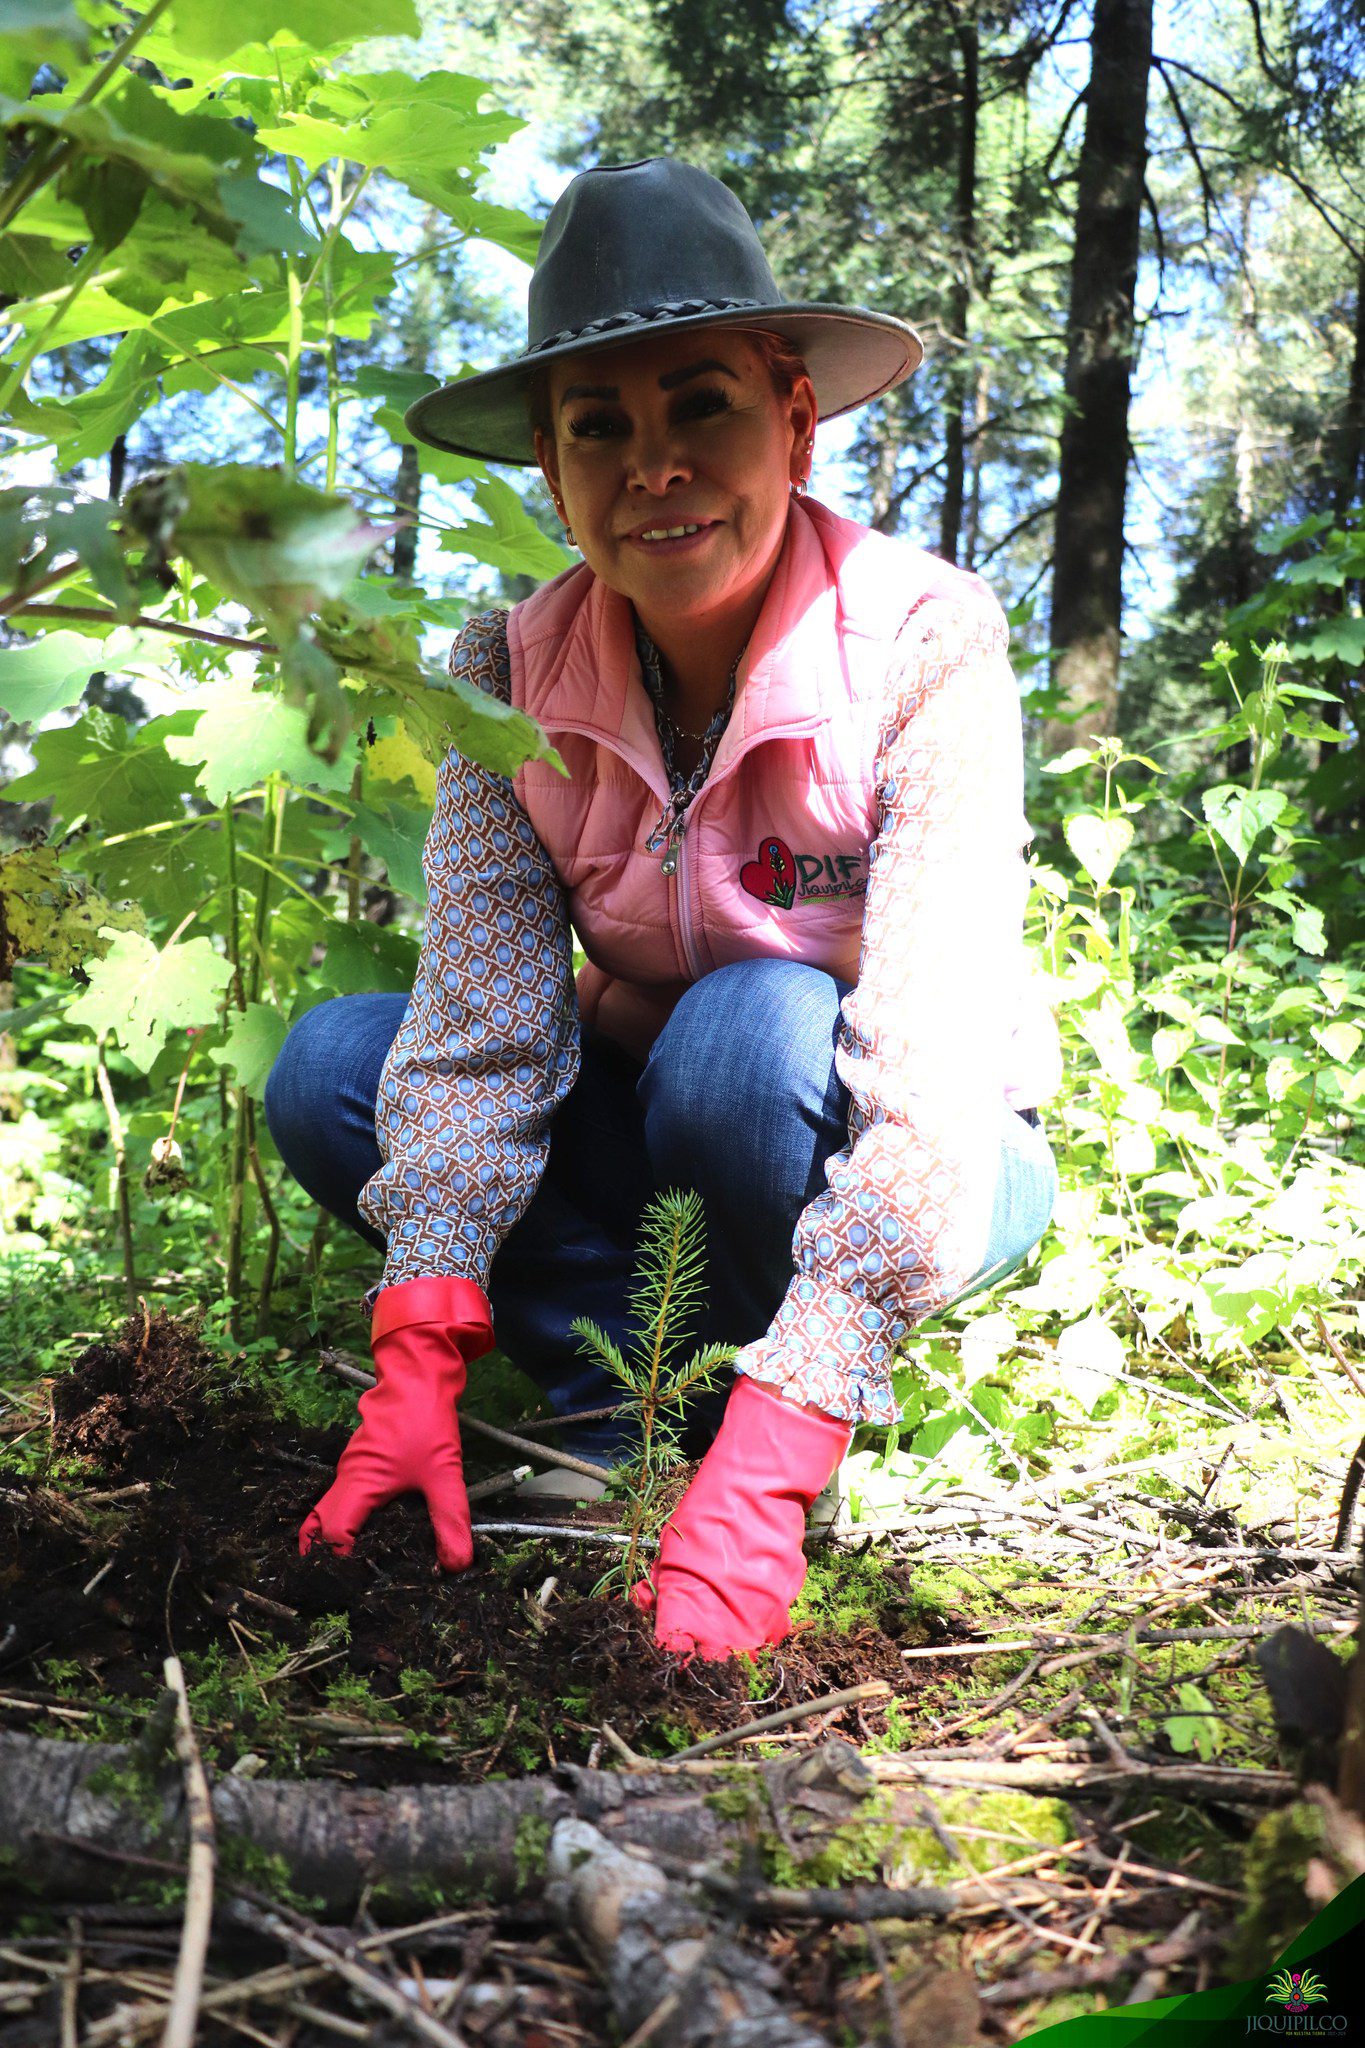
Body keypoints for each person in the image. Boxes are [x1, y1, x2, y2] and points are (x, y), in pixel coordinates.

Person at [264, 156, 1061, 1662]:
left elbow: (932, 1074)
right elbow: (483, 1024)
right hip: (662, 1103)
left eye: (700, 403)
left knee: (749, 1028)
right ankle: (611, 1406)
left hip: (913, 1147)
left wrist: (782, 1436)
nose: (654, 465)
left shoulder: (921, 644)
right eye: (598, 429)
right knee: (330, 1066)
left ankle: (772, 1416)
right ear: (553, 479)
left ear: (792, 420)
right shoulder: (507, 671)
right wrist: (424, 1327)